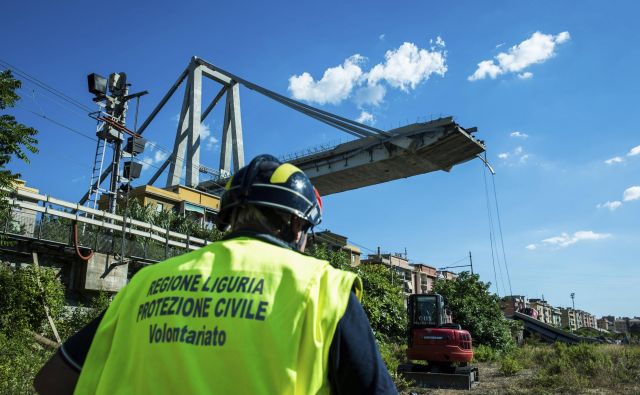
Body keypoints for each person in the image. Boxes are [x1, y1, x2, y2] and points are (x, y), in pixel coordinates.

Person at [35, 154, 397, 394]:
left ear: (226, 218)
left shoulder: (144, 284)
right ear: (298, 224)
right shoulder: (323, 288)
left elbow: (51, 381)